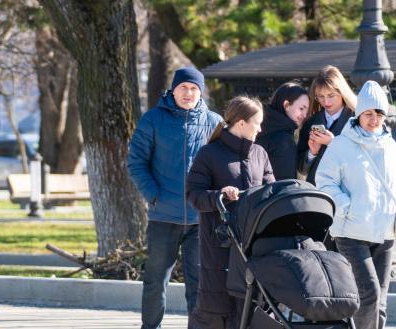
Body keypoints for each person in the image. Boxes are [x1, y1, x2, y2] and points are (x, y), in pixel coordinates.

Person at [128, 67, 222, 329]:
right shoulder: (153, 120)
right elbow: (136, 162)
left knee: (200, 283)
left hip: (200, 218)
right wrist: (153, 195)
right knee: (156, 281)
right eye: (184, 88)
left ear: (200, 92)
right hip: (163, 215)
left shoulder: (215, 122)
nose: (189, 93)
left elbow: (222, 165)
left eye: (194, 89)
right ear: (173, 89)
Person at [315, 81, 396, 329]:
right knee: (368, 294)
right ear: (359, 114)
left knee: (380, 299)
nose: (374, 119)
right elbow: (324, 181)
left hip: (385, 231)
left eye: (379, 113)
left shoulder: (390, 146)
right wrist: (347, 207)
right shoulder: (341, 144)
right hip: (351, 231)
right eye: (368, 113)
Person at [186, 96, 275, 329]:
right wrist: (219, 196)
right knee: (217, 311)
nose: (261, 128)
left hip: (253, 245)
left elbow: (271, 190)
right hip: (219, 246)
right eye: (258, 122)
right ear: (242, 123)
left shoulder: (260, 153)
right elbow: (193, 195)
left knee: (249, 309)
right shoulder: (210, 154)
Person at [296, 65, 357, 184]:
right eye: (321, 97)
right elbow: (301, 169)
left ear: (342, 92)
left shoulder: (357, 119)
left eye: (331, 95)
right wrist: (312, 153)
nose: (326, 102)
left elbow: (364, 158)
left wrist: (333, 143)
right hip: (317, 191)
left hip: (347, 188)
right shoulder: (310, 122)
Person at [255, 82, 310, 180]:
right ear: (286, 105)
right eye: (301, 108)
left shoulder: (258, 125)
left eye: (307, 111)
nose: (305, 115)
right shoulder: (283, 139)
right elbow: (285, 182)